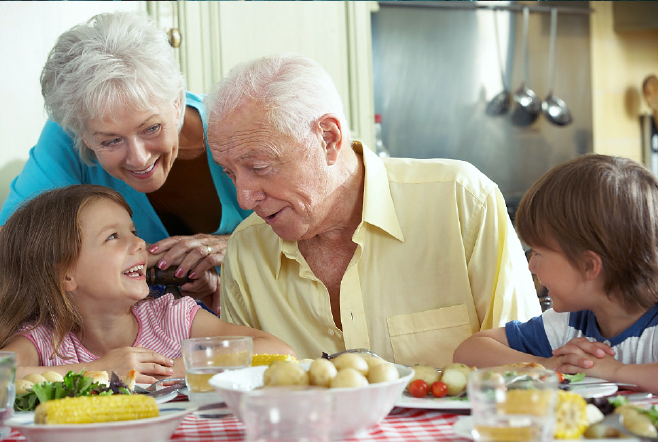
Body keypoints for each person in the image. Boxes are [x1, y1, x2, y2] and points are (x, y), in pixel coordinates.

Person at [204, 53, 541, 367]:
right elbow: (248, 398)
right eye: (230, 173)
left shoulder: (461, 200)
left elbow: (523, 369)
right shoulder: (247, 249)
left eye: (260, 166)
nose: (244, 199)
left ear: (328, 138)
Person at [0, 12, 251, 314]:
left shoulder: (239, 129)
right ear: (82, 134)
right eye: (111, 141)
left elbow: (314, 227)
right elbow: (13, 248)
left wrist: (239, 246)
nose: (139, 158)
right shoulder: (69, 136)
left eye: (151, 128)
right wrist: (147, 264)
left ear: (176, 103)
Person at [0, 185, 295, 384]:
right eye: (113, 237)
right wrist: (96, 371)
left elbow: (278, 350)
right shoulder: (45, 341)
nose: (140, 243)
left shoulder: (173, 317)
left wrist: (173, 370)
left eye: (133, 231)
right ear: (67, 275)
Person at [453, 154, 658, 394]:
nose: (531, 266)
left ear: (589, 266)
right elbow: (468, 352)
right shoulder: (569, 323)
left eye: (539, 253)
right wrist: (547, 366)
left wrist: (613, 371)